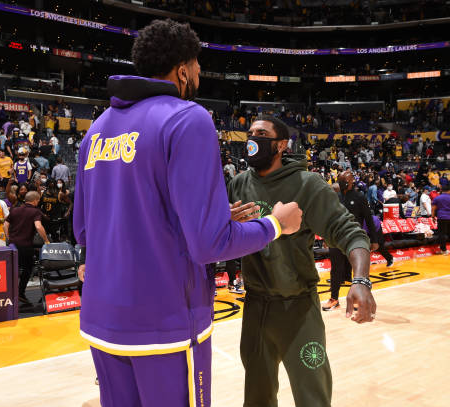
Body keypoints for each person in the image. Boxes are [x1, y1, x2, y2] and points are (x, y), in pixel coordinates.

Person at [73, 19, 302, 407]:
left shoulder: (96, 130)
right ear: (183, 69)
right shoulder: (187, 117)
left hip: (101, 321)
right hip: (165, 325)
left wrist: (205, 215)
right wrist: (275, 225)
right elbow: (209, 244)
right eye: (197, 65)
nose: (198, 74)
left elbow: (85, 231)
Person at [228, 117, 376, 407]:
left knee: (313, 397)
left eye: (262, 133)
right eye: (250, 134)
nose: (253, 139)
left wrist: (360, 279)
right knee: (257, 398)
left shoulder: (307, 184)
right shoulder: (238, 184)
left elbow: (351, 233)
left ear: (281, 144)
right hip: (256, 307)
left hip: (298, 308)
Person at [324, 169, 378, 311]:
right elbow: (330, 218)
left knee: (358, 269)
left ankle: (358, 298)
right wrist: (326, 236)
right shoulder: (335, 196)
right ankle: (334, 299)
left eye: (343, 181)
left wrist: (374, 239)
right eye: (339, 181)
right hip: (336, 238)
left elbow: (368, 218)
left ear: (350, 182)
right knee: (335, 269)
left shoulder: (360, 196)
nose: (340, 183)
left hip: (355, 239)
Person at [4, 191, 50, 306]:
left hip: (12, 245)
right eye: (38, 200)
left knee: (12, 270)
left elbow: (5, 224)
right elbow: (38, 226)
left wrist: (8, 238)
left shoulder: (15, 209)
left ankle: (8, 295)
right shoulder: (35, 211)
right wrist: (46, 240)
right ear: (35, 200)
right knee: (27, 269)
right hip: (25, 246)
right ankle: (20, 292)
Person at [432, 184, 450, 266]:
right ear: (449, 190)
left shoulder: (437, 198)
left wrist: (433, 216)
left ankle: (443, 250)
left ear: (441, 190)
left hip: (441, 217)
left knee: (442, 233)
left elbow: (433, 208)